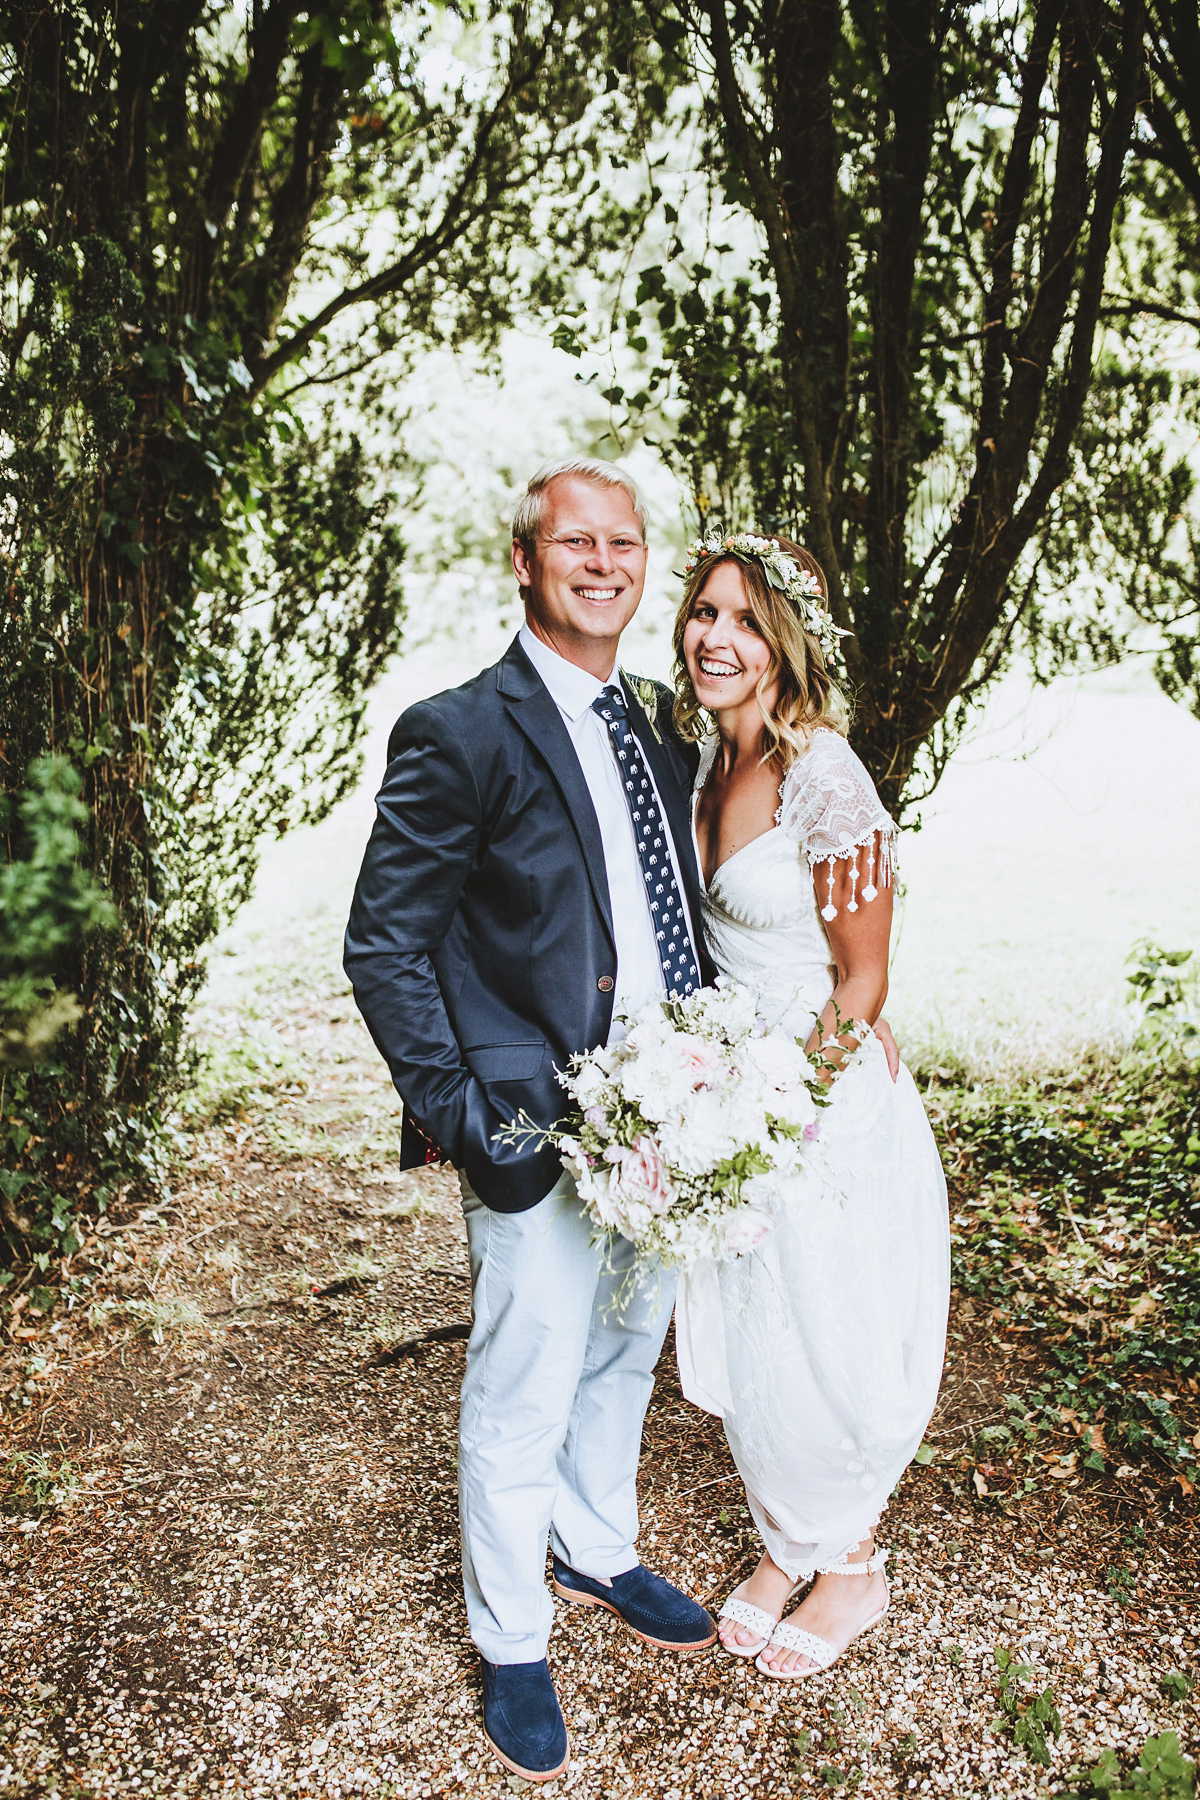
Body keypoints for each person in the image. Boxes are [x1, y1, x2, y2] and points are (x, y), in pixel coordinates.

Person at [343, 459, 720, 1784]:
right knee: (522, 1378)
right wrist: (463, 1118)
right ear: (527, 559)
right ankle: (511, 1634)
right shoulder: (462, 728)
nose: (603, 561)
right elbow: (385, 945)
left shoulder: (663, 725)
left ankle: (596, 1545)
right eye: (577, 541)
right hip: (533, 1124)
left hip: (675, 1117)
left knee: (625, 1349)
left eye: (625, 542)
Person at [671, 531, 950, 1680]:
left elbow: (865, 978)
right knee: (759, 1328)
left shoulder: (823, 774)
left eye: (744, 620)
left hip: (817, 1098)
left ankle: (855, 1567)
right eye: (703, 614)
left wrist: (780, 1110)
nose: (716, 639)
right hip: (731, 1089)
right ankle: (791, 1541)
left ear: (786, 643)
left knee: (829, 1331)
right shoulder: (704, 759)